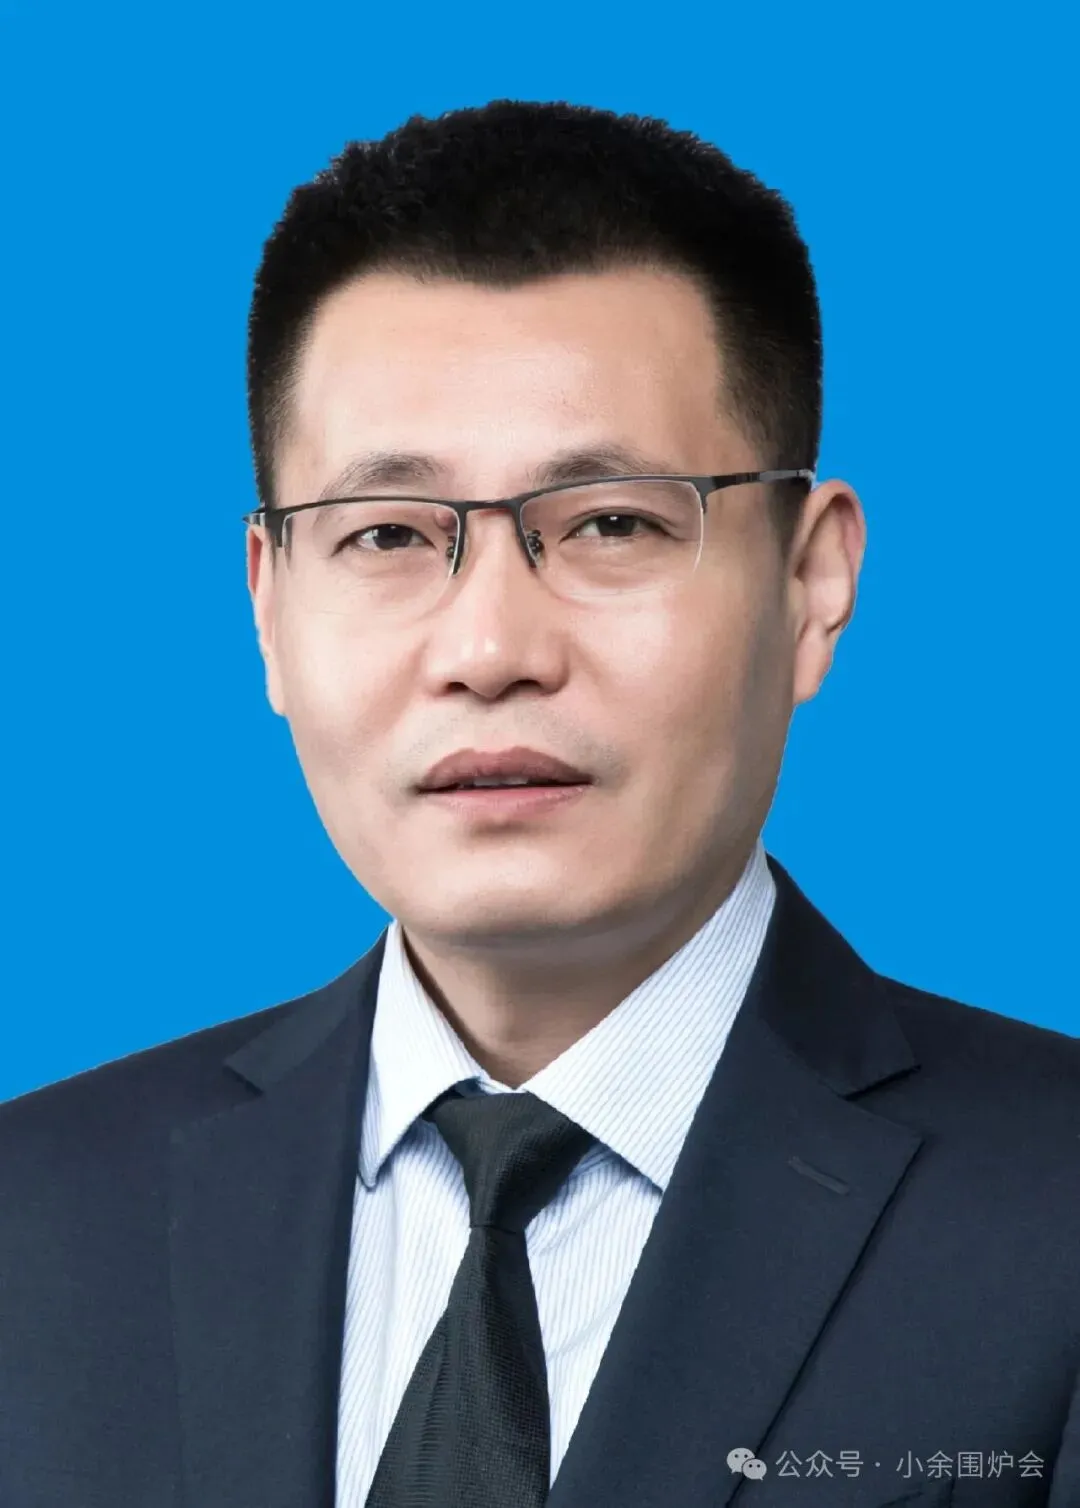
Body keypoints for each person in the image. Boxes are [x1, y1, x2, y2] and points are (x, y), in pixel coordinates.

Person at [0, 98, 1077, 1508]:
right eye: (389, 534)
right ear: (268, 605)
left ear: (812, 582)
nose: (491, 648)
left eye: (613, 522)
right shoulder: (34, 1219)